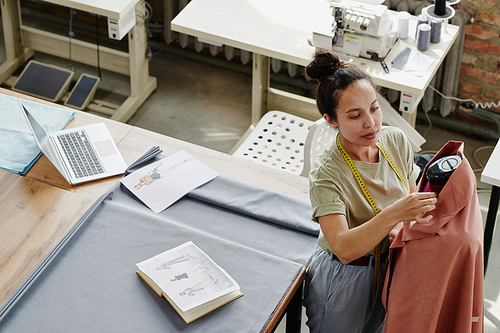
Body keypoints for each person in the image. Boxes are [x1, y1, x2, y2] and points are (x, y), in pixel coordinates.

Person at [302, 49, 438, 333]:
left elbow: (411, 198)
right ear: (331, 120)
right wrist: (394, 215)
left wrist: (403, 224)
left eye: (374, 109)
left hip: (392, 264)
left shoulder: (396, 141)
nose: (371, 123)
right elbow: (344, 248)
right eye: (355, 116)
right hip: (346, 278)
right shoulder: (327, 173)